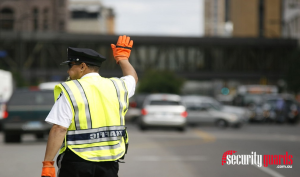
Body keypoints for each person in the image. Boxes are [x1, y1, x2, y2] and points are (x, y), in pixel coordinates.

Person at [41, 35, 138, 177]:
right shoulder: (118, 86)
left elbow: (59, 128)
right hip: (110, 161)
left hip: (77, 162)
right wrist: (123, 59)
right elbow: (132, 78)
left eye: (70, 65)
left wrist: (48, 163)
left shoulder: (71, 89)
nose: (68, 71)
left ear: (82, 66)